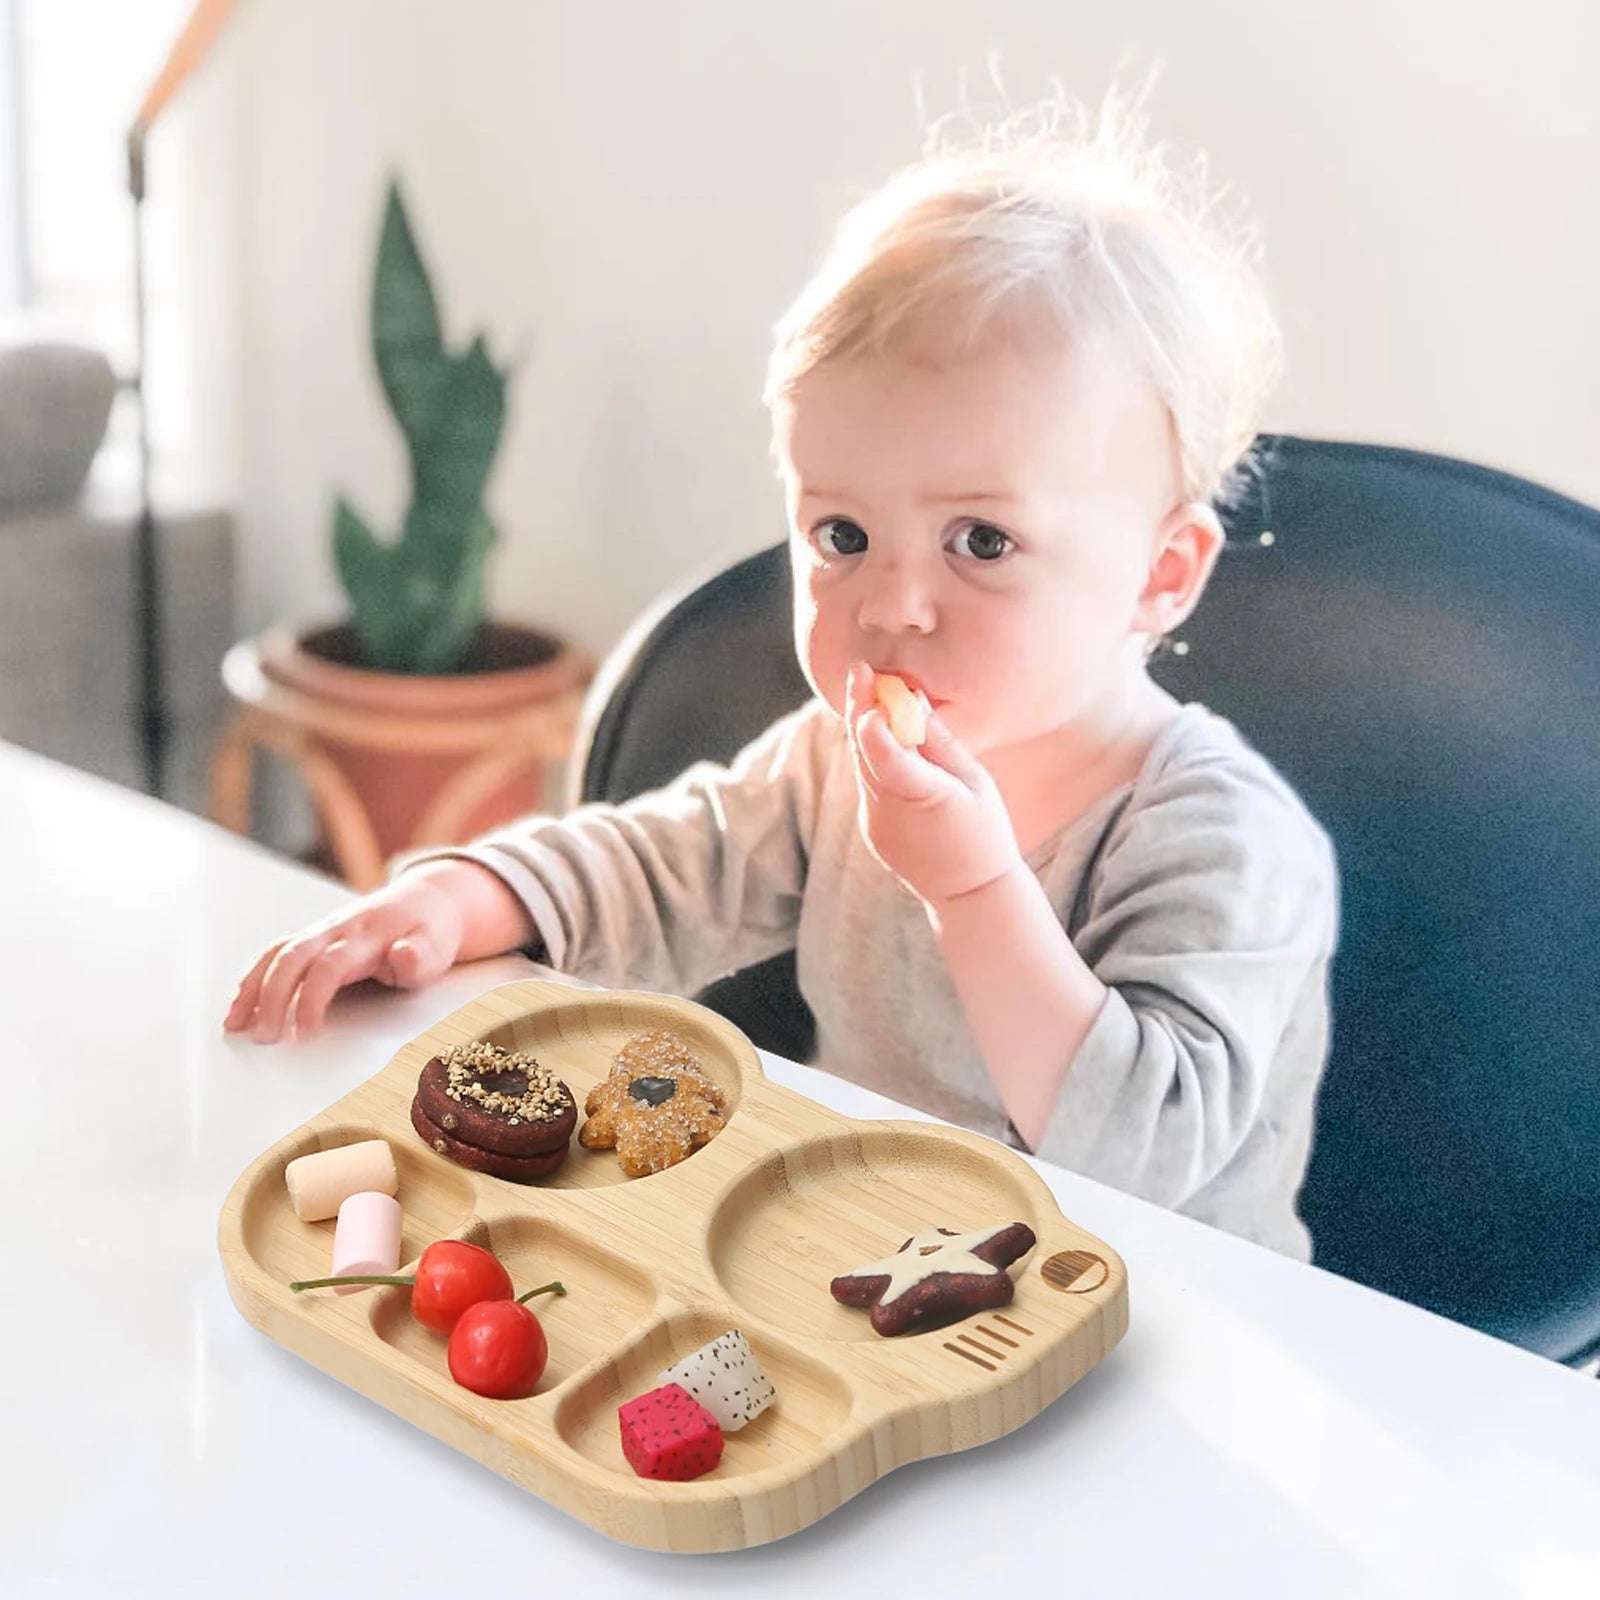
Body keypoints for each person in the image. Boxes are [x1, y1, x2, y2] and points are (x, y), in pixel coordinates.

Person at [226, 96, 1338, 1260]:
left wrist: (971, 887)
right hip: (866, 1260)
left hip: (1164, 1315)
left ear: (1161, 574)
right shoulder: (834, 762)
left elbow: (1143, 1162)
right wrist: (457, 897)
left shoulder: (1223, 840)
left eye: (982, 541)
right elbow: (667, 868)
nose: (890, 606)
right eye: (842, 535)